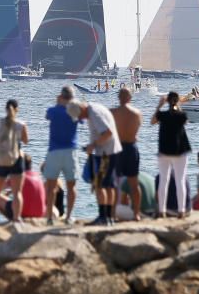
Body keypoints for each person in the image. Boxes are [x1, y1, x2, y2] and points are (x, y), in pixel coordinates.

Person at [66, 98, 122, 226]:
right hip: (110, 151)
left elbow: (108, 133)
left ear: (81, 109)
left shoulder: (94, 114)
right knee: (109, 185)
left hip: (105, 153)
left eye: (80, 116)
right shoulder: (95, 109)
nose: (82, 119)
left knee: (100, 185)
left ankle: (103, 217)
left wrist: (93, 145)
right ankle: (108, 217)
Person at [0, 99, 29, 223]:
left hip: (1, 159)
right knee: (17, 193)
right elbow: (26, 141)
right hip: (16, 159)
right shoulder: (21, 125)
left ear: (5, 109)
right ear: (17, 110)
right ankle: (16, 218)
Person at [151, 91, 192, 218]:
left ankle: (162, 211)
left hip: (164, 151)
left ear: (167, 101)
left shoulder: (162, 115)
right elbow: (185, 121)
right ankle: (181, 211)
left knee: (164, 181)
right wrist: (177, 103)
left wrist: (159, 105)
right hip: (180, 151)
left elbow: (152, 121)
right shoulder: (181, 115)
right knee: (180, 181)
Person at [43, 86, 79, 225]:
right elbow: (82, 118)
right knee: (71, 186)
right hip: (71, 150)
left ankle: (49, 218)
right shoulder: (75, 111)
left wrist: (58, 104)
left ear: (61, 96)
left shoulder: (54, 110)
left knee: (51, 186)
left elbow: (47, 116)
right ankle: (69, 216)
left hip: (54, 151)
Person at [111, 88, 144, 220]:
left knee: (114, 183)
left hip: (118, 148)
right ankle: (136, 213)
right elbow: (136, 132)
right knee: (134, 183)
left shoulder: (112, 113)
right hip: (131, 148)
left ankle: (113, 213)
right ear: (130, 98)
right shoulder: (137, 113)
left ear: (119, 98)